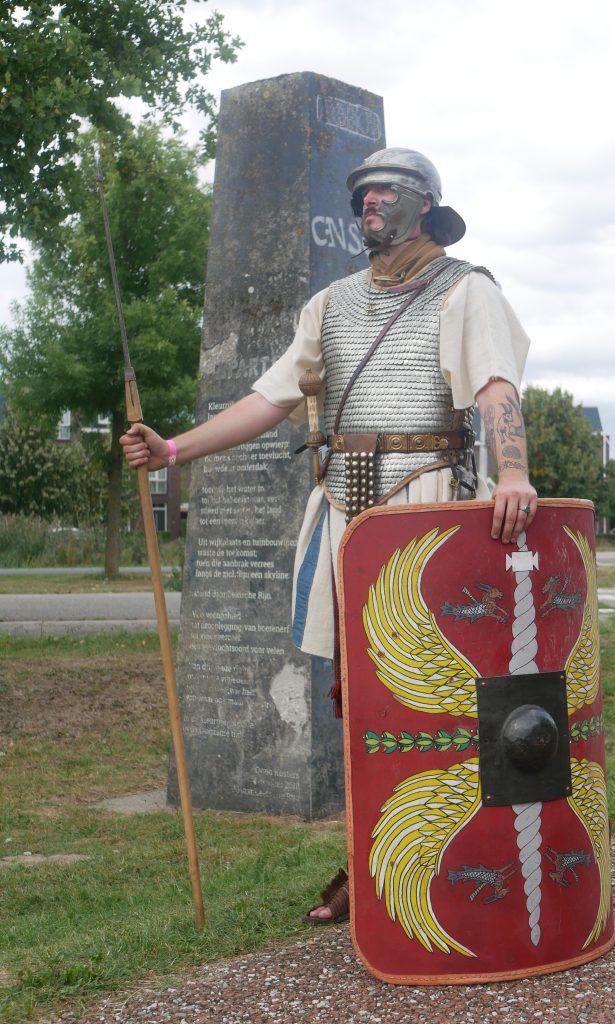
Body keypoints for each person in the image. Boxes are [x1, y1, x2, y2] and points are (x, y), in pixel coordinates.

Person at [120, 147, 538, 923]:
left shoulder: (465, 289)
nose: (367, 203)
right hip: (348, 517)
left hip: (430, 506)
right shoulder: (331, 304)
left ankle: (467, 858)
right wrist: (175, 449)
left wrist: (511, 472)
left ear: (424, 204)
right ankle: (370, 861)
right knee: (362, 702)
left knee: (442, 697)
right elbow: (269, 397)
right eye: (360, 195)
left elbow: (494, 386)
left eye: (383, 191)